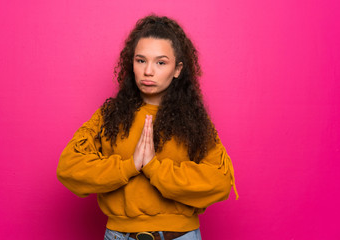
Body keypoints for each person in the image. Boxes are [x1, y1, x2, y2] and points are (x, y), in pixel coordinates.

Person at [57, 14, 238, 240]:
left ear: (177, 69)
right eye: (141, 60)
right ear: (130, 63)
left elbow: (219, 182)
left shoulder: (194, 120)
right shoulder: (108, 116)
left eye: (161, 62)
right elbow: (69, 168)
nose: (148, 71)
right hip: (119, 235)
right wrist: (129, 166)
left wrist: (153, 168)